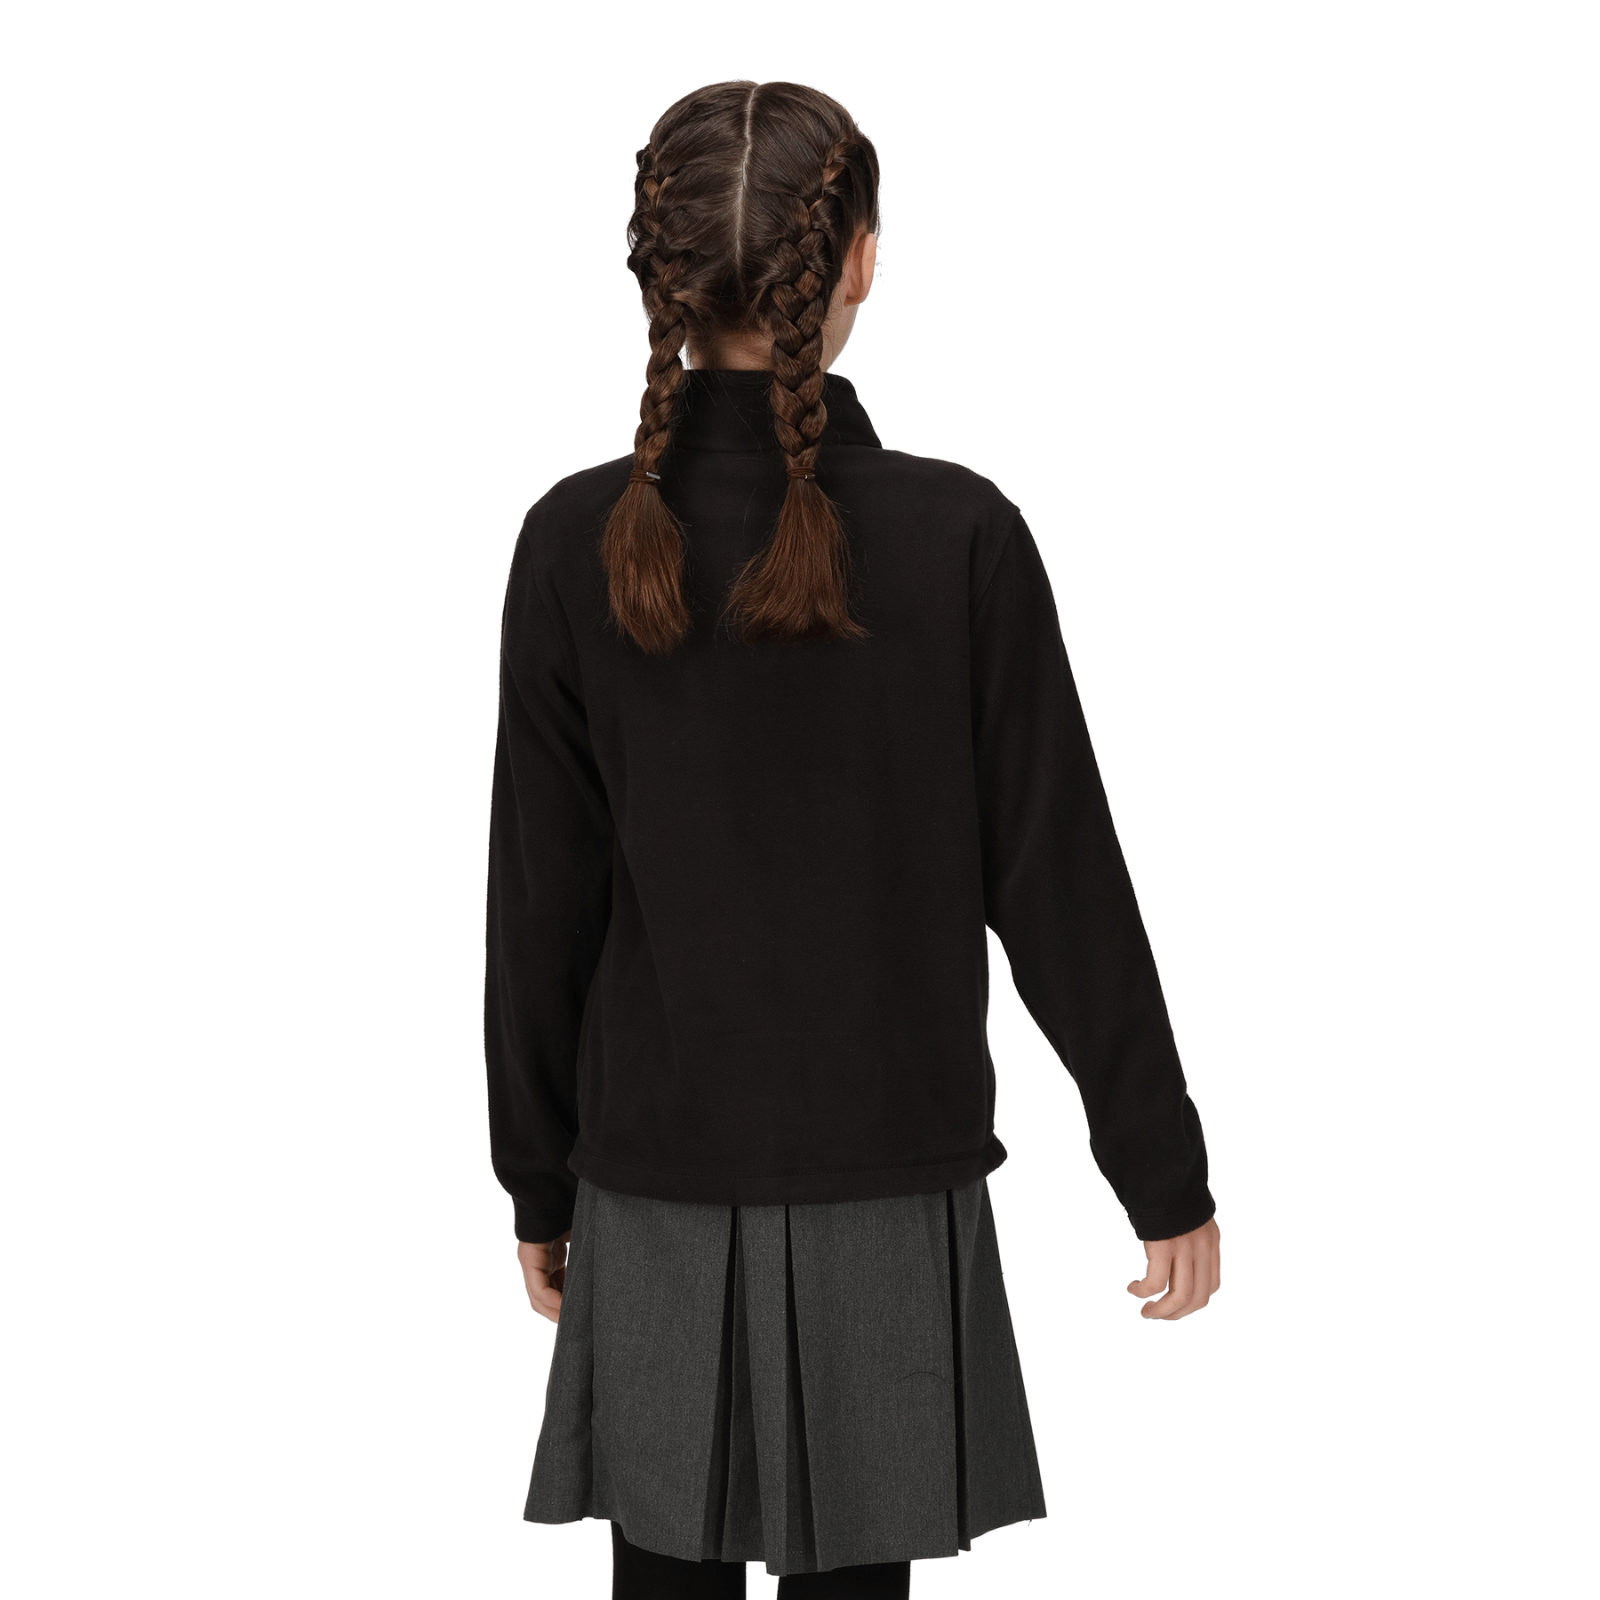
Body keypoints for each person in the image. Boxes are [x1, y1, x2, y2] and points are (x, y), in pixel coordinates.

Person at [484, 79, 1221, 1600]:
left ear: (658, 274)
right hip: (889, 1179)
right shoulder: (959, 536)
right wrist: (1162, 1169)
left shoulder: (575, 539)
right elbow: (1060, 879)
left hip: (655, 1181)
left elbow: (539, 903)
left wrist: (537, 1179)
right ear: (862, 261)